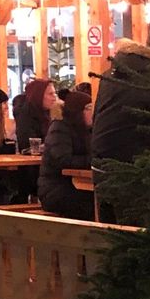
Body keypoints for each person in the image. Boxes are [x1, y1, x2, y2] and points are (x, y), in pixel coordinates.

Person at [90, 39, 150, 219]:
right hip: (133, 164)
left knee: (109, 225)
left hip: (100, 163)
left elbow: (96, 116)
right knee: (135, 224)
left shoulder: (108, 76)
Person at [37, 90, 93, 220]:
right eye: (89, 108)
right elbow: (63, 160)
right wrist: (92, 161)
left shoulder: (87, 131)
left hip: (76, 187)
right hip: (55, 189)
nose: (93, 112)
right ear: (78, 111)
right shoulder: (60, 127)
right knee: (91, 205)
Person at [14, 78, 58, 152]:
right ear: (38, 96)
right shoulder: (25, 114)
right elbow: (26, 146)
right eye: (50, 94)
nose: (55, 97)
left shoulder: (48, 112)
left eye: (55, 93)